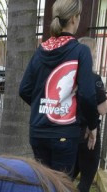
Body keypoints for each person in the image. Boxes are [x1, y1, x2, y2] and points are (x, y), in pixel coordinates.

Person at [19, 0, 99, 175]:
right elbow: (87, 95)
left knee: (44, 183)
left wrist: (44, 106)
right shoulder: (81, 51)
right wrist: (92, 124)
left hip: (38, 131)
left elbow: (24, 89)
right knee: (62, 186)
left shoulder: (41, 50)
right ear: (73, 18)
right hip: (64, 131)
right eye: (79, 16)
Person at [72, 37, 107, 192]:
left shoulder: (69, 76)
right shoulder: (94, 78)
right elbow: (101, 109)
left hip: (70, 129)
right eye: (95, 53)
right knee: (87, 176)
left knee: (68, 174)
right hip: (89, 130)